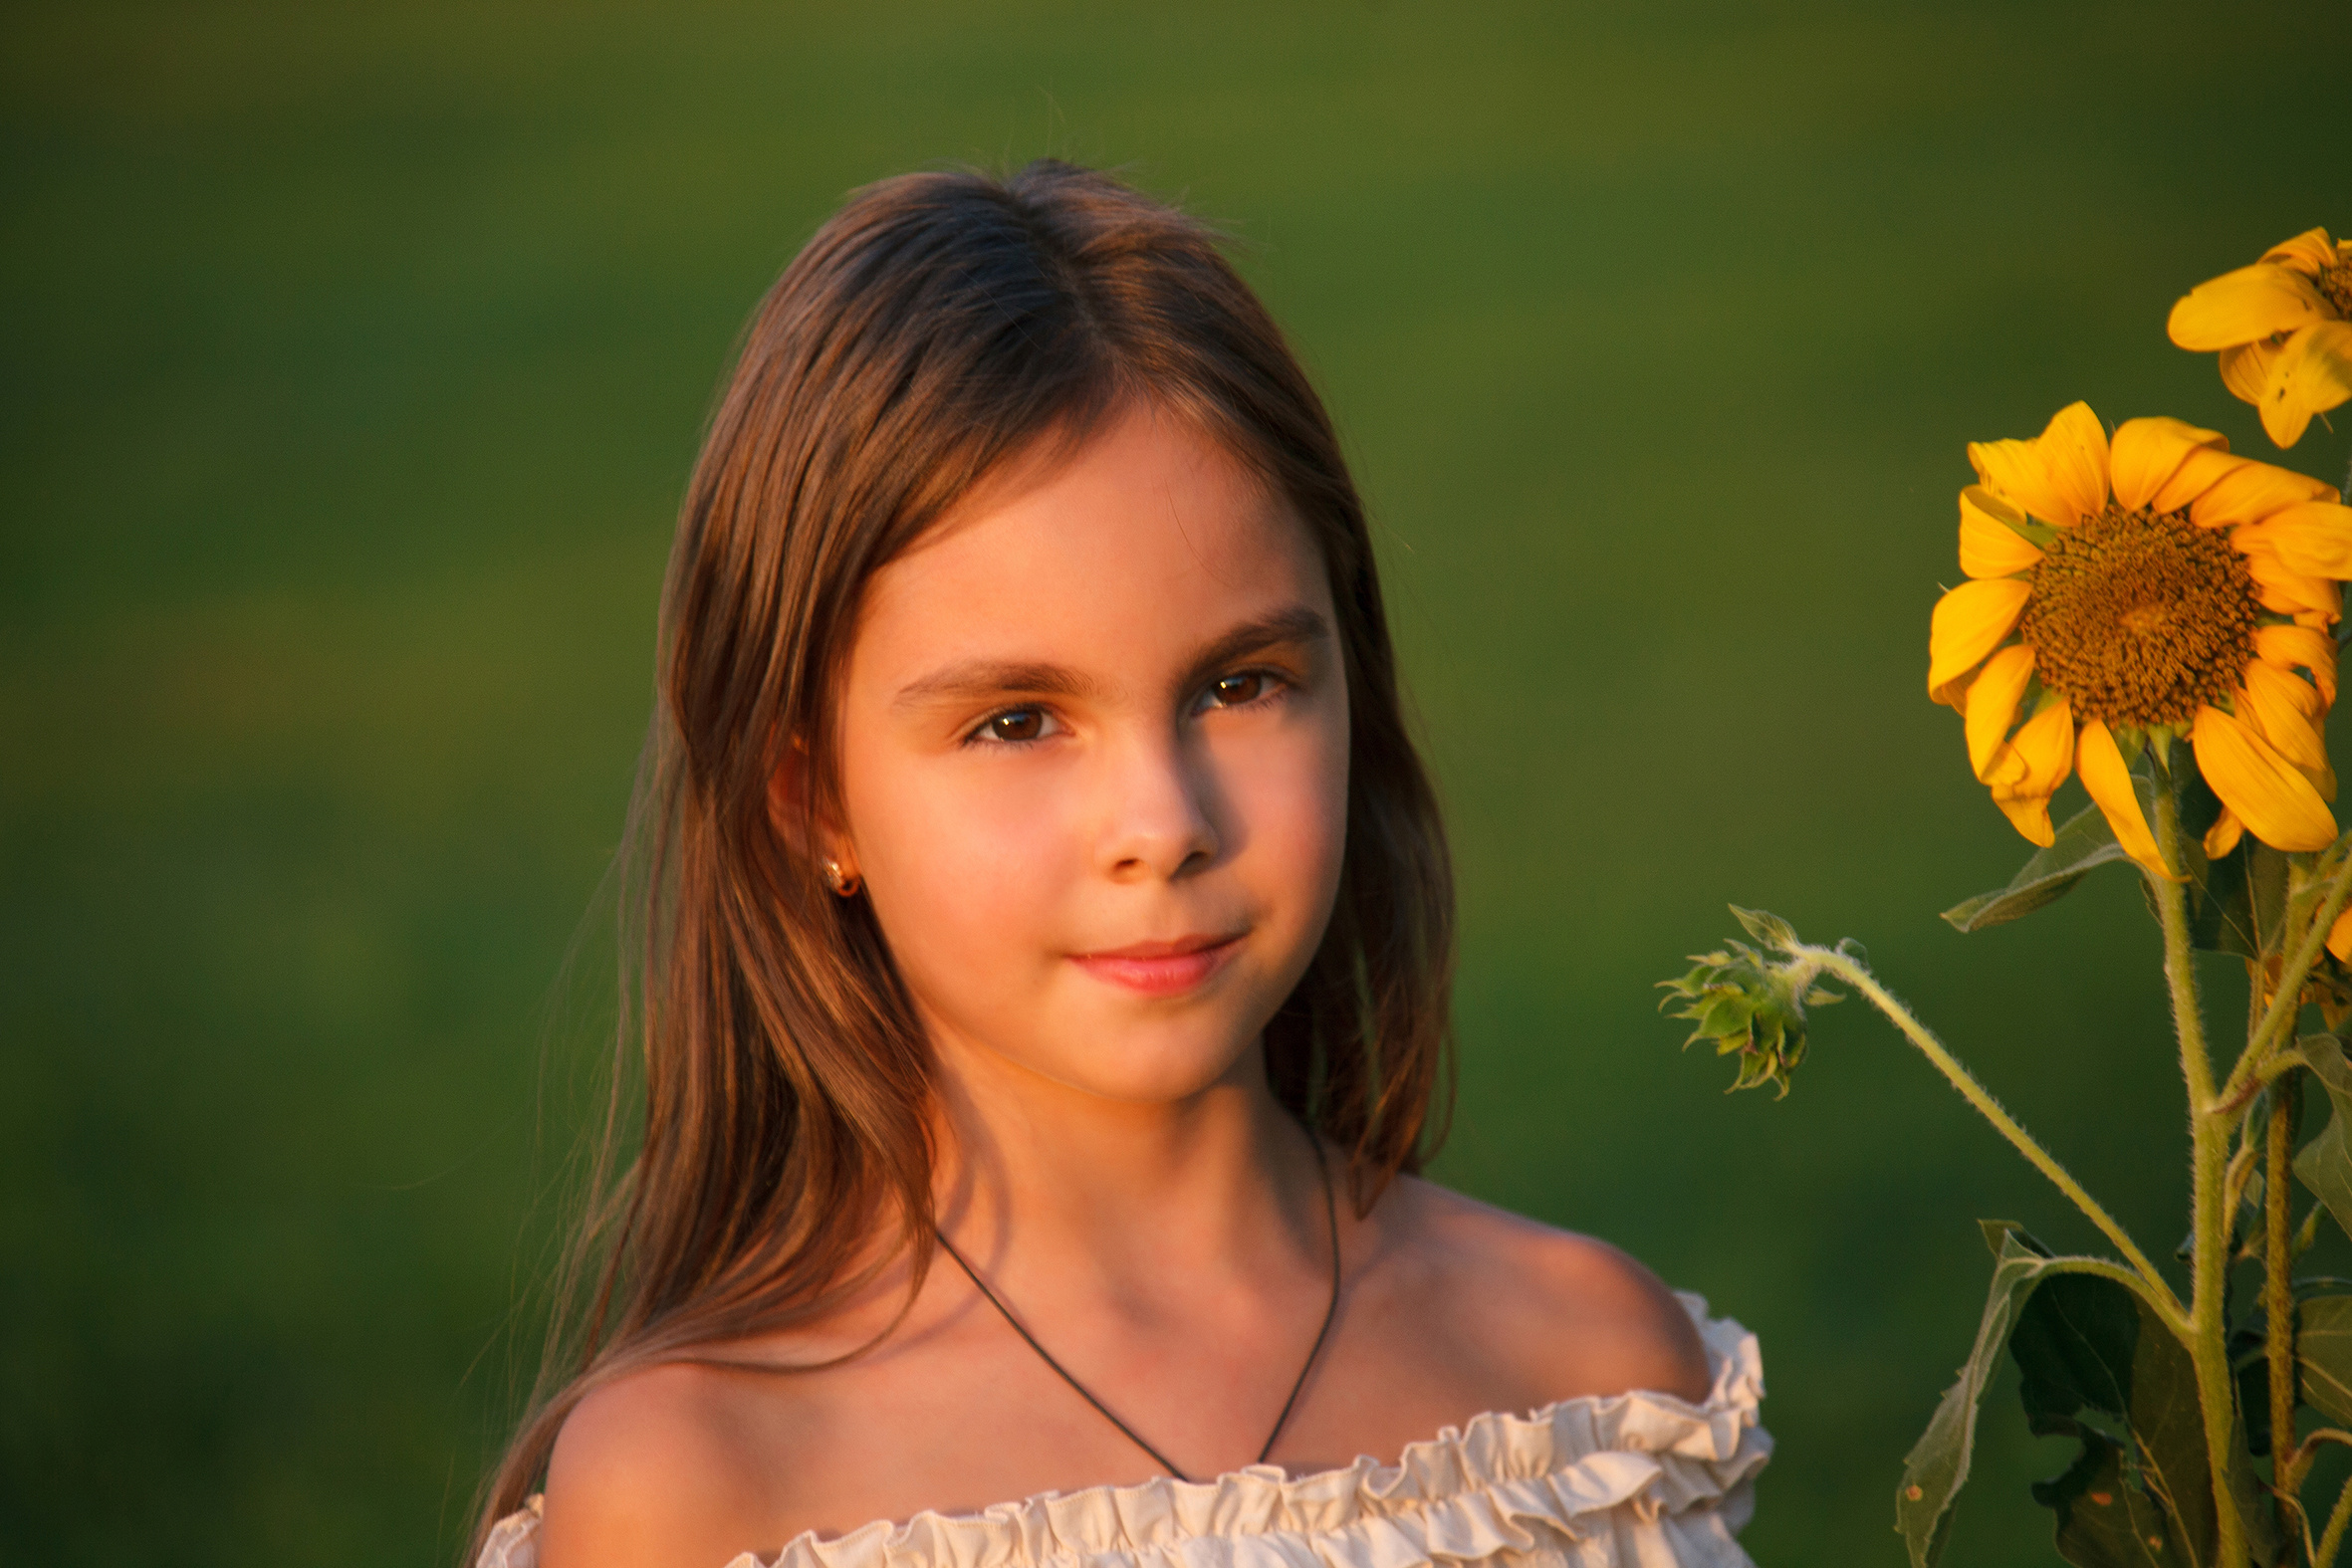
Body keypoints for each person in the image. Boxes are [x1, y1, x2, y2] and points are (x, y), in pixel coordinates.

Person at [471, 159, 1768, 1568]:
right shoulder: (702, 1491)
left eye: (1240, 685)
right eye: (1016, 722)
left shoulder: (1585, 1382)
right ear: (811, 807)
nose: (1161, 822)